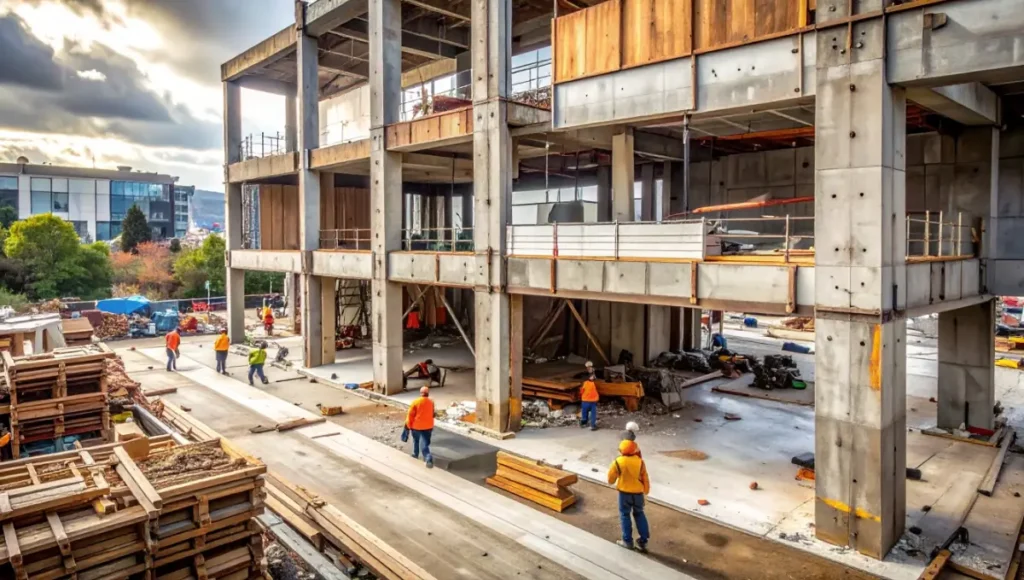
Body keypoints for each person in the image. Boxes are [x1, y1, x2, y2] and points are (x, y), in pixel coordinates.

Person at [608, 439, 651, 553]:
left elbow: (610, 479)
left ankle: (627, 541)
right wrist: (646, 490)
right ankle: (643, 542)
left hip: (624, 494)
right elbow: (645, 477)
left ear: (621, 451)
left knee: (625, 515)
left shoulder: (618, 462)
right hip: (638, 494)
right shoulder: (640, 462)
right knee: (640, 514)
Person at [405, 386, 435, 468]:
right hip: (428, 426)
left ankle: (416, 454)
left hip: (416, 426)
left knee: (416, 441)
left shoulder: (415, 402)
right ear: (428, 393)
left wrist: (408, 425)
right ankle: (427, 457)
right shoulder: (431, 402)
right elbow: (433, 414)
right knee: (425, 443)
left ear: (420, 393)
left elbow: (410, 415)